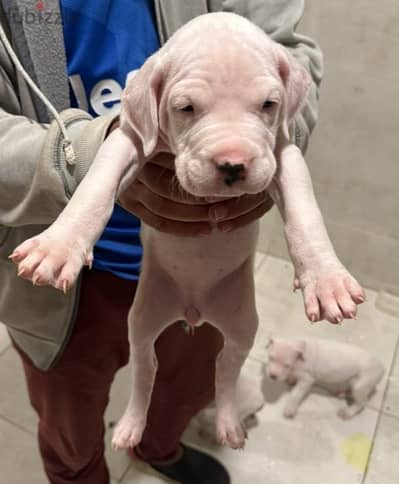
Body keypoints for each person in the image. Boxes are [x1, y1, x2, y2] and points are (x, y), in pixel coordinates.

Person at [0, 1, 323, 483]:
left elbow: (291, 56)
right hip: (63, 279)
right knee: (69, 416)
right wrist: (88, 155)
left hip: (211, 266)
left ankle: (160, 445)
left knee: (191, 380)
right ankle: (79, 475)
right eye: (188, 107)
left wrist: (274, 135)